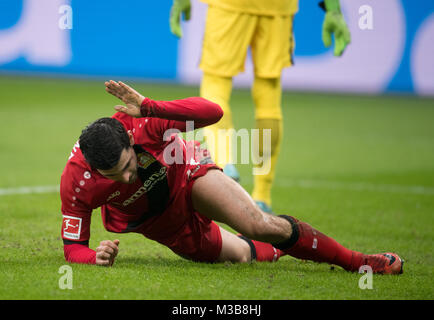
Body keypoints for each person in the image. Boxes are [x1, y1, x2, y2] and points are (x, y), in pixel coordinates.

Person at [59, 80, 403, 275]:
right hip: (158, 223)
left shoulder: (143, 125)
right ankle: (280, 248)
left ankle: (357, 261)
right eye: (114, 175)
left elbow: (213, 112)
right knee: (242, 255)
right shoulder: (76, 181)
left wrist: (151, 105)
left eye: (129, 166)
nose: (127, 177)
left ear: (131, 143)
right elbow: (74, 248)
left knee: (259, 224)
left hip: (187, 175)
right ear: (92, 168)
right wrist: (95, 257)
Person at [169, 0, 351, 213]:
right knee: (269, 97)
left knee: (216, 84)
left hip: (229, 6)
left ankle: (223, 162)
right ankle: (262, 196)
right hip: (278, 8)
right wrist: (333, 10)